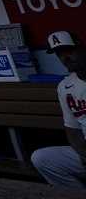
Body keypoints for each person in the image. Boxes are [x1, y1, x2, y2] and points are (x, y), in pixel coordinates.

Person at [32, 31, 86, 189]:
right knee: (42, 158)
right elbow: (73, 130)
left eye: (69, 51)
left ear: (82, 48)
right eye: (59, 54)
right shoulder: (65, 87)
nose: (65, 57)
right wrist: (83, 154)